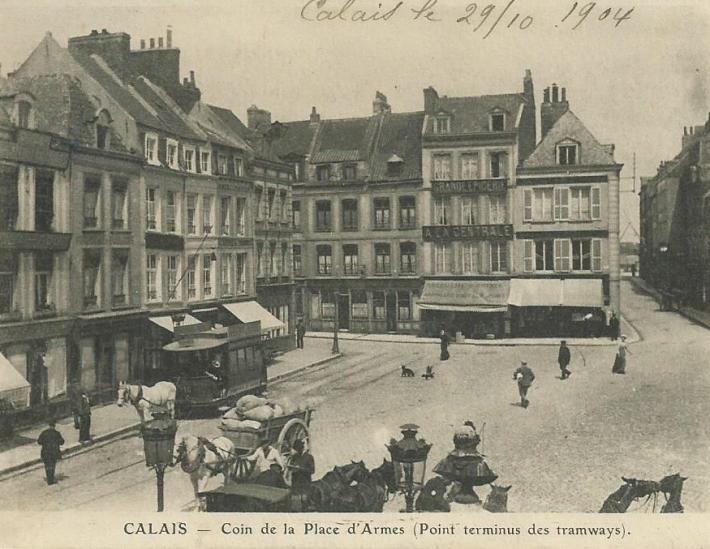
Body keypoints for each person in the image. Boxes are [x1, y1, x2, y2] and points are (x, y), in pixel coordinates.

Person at [37, 419, 64, 485]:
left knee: (47, 465)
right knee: (52, 465)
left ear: (49, 425)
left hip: (45, 452)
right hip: (54, 452)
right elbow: (62, 442)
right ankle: (51, 479)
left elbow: (39, 442)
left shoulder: (44, 432)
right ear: (54, 426)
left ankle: (49, 479)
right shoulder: (57, 433)